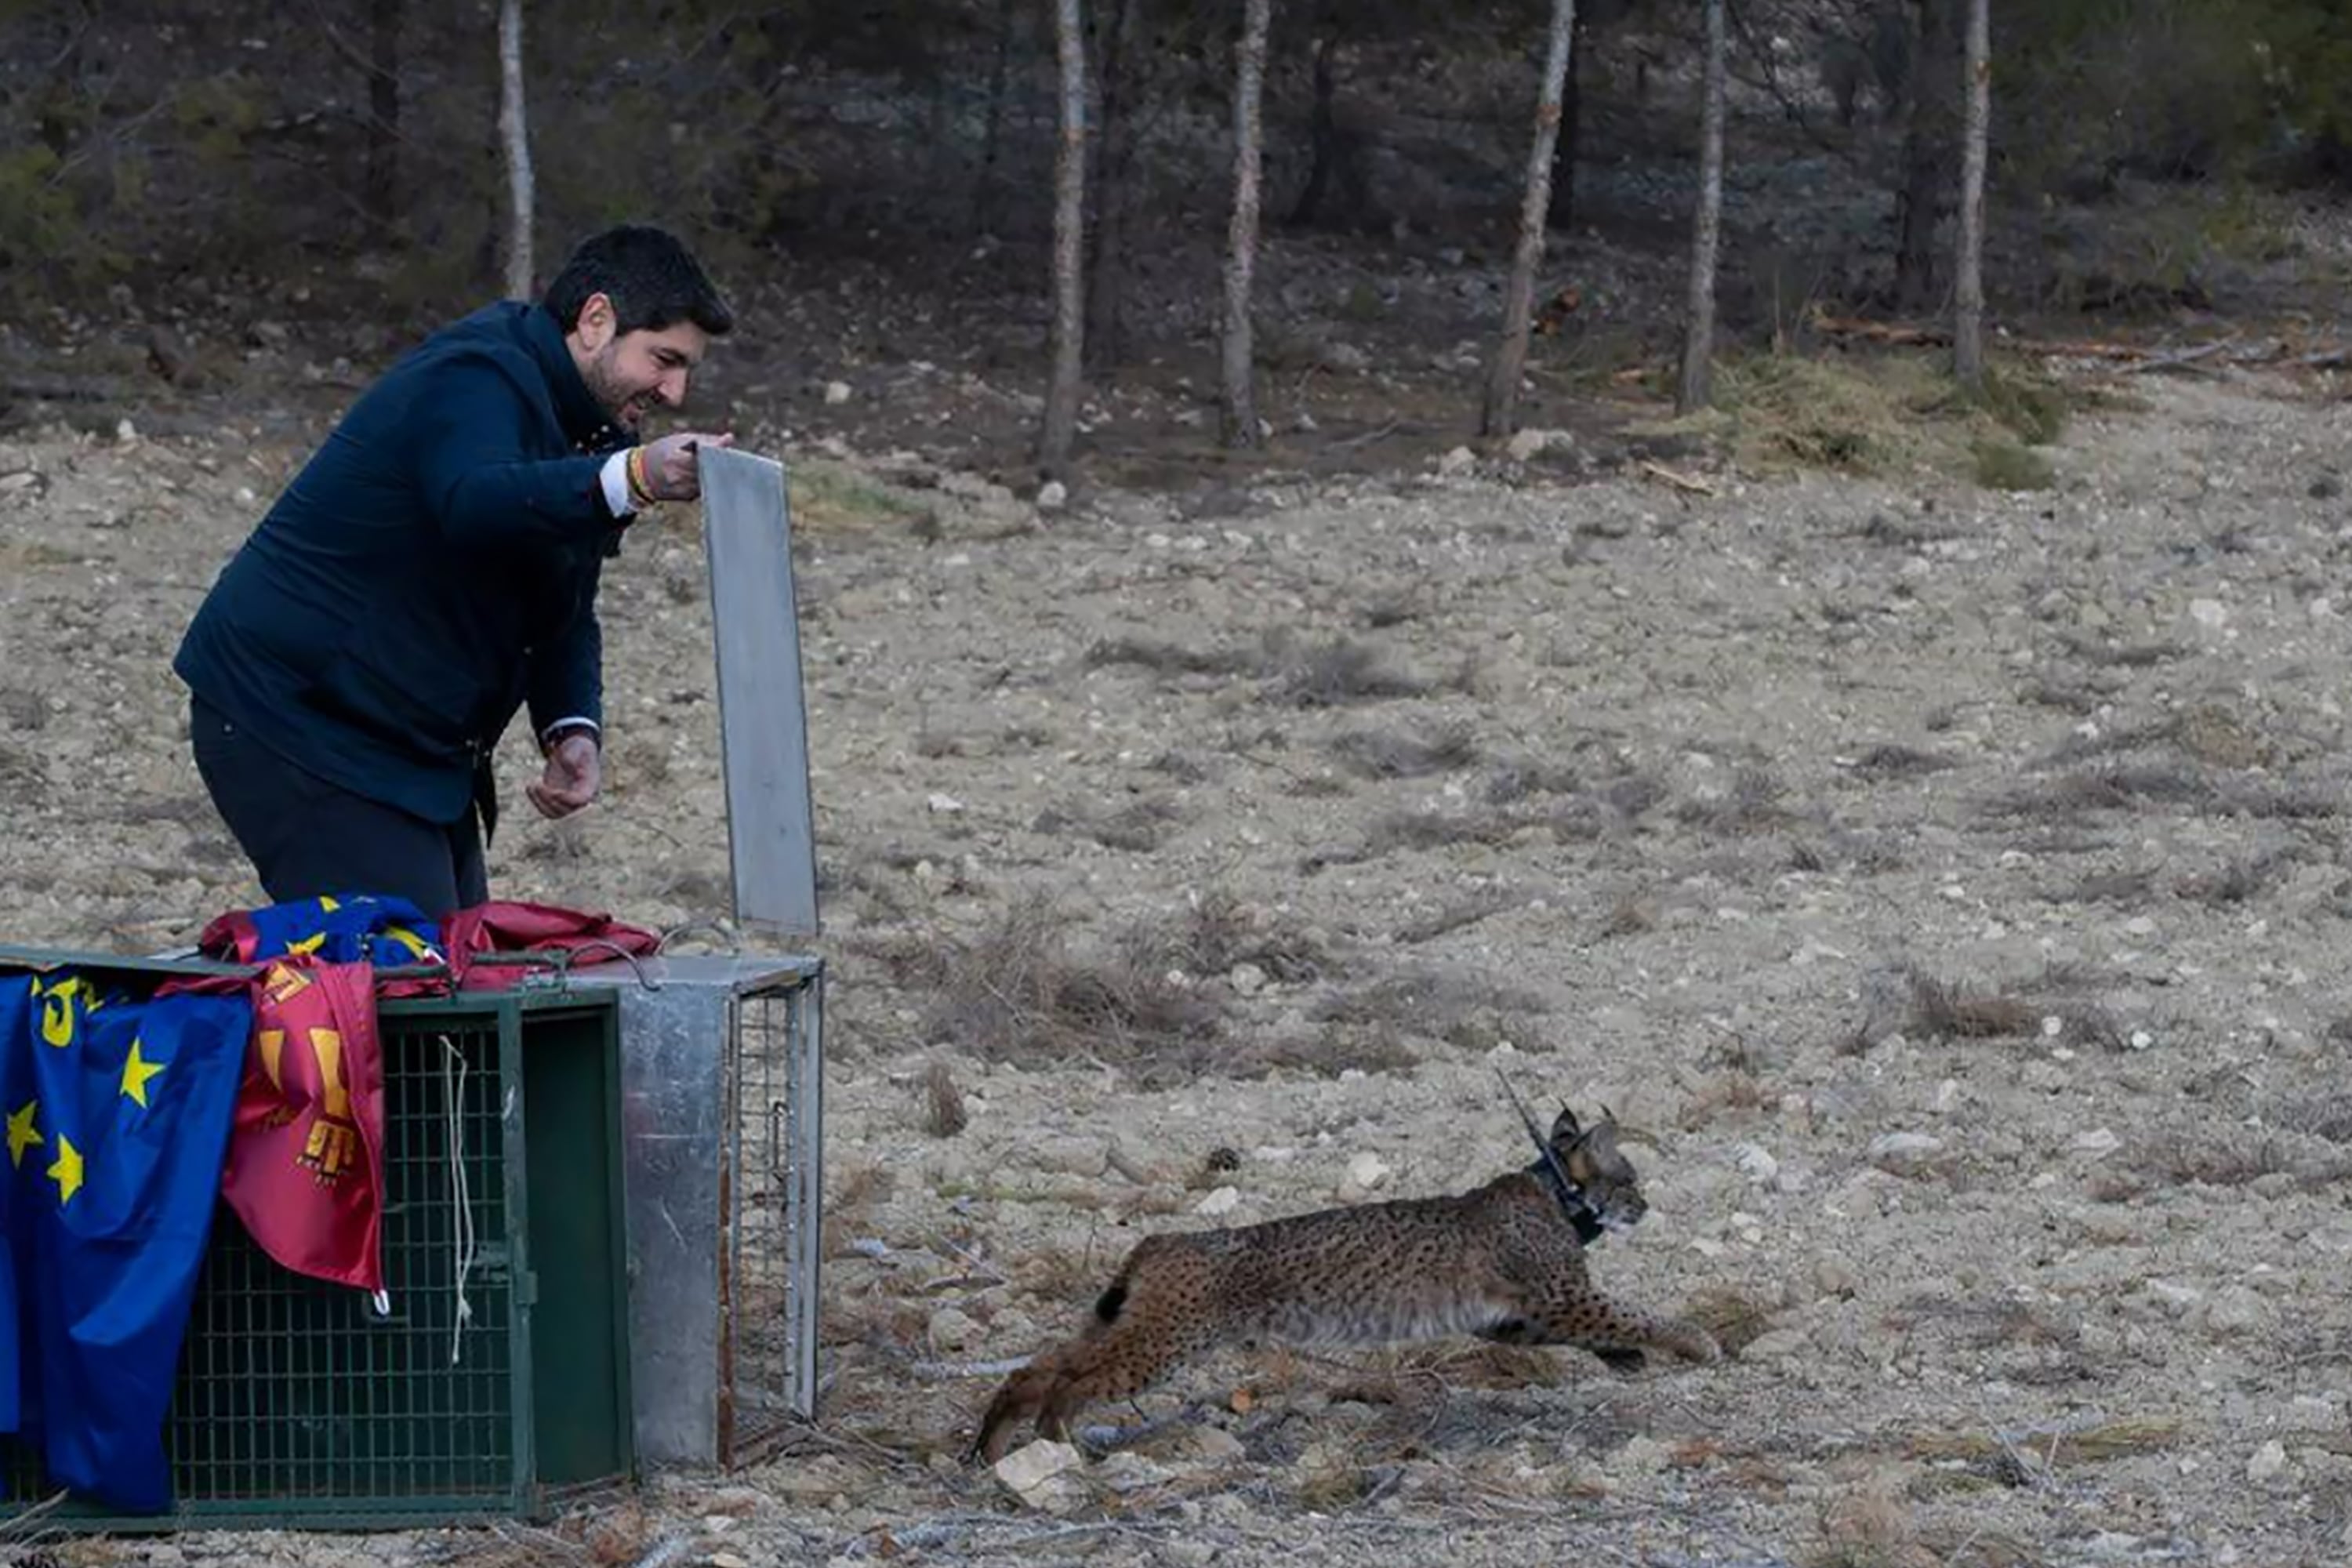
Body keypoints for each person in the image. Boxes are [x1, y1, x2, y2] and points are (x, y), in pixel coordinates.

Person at [174, 224, 735, 916]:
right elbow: (474, 501)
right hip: (295, 722)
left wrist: (570, 725)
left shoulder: (590, 430)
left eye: (686, 370)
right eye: (664, 359)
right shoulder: (476, 373)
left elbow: (561, 601)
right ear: (596, 320)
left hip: (413, 749)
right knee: (412, 988)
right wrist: (636, 477)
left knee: (455, 979)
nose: (675, 391)